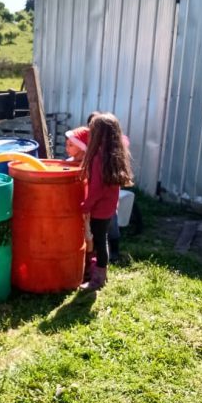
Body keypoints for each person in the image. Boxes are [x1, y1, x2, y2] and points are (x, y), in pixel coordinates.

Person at [78, 112, 134, 291]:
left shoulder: (98, 158)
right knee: (103, 240)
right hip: (109, 208)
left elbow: (95, 190)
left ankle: (97, 278)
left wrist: (85, 206)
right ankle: (101, 273)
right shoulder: (114, 156)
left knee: (99, 242)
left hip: (99, 209)